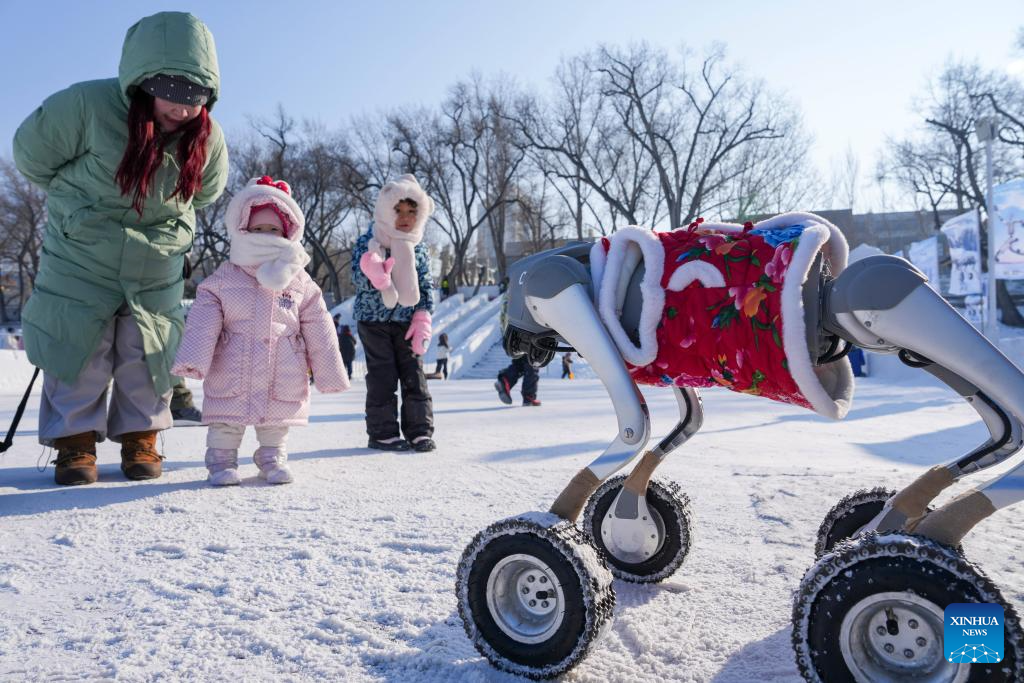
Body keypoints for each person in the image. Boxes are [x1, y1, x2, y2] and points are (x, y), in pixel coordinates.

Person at [13, 12, 229, 485]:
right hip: (81, 256)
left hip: (156, 262)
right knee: (78, 344)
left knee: (148, 350)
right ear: (141, 82)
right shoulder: (85, 105)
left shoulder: (207, 138)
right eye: (170, 91)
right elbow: (31, 156)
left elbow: (207, 193)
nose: (182, 108)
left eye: (194, 97)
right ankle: (74, 443)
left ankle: (141, 437)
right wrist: (79, 211)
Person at [172, 176, 348, 485]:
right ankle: (221, 461)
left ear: (288, 232)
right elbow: (203, 319)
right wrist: (194, 360)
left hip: (283, 368)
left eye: (273, 230)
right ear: (243, 230)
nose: (266, 235)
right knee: (226, 420)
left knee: (276, 422)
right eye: (258, 229)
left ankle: (272, 457)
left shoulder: (300, 281)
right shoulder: (226, 277)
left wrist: (329, 372)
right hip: (232, 367)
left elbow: (320, 328)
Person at [352, 175, 436, 452]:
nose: (405, 218)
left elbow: (425, 283)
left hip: (407, 320)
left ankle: (419, 431)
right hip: (373, 320)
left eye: (412, 211)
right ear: (385, 211)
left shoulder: (418, 247)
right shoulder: (368, 242)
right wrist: (374, 276)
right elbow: (357, 278)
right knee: (383, 375)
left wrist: (423, 315)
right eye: (398, 210)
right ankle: (383, 432)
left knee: (414, 374)